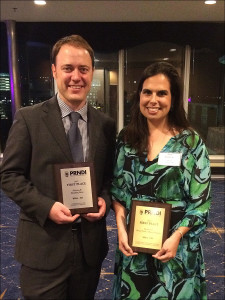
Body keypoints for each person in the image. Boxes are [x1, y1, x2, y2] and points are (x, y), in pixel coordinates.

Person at [0, 34, 116, 300]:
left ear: (92, 72)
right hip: (43, 247)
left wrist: (104, 201)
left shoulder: (106, 125)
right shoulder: (29, 119)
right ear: (54, 71)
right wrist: (47, 207)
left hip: (89, 248)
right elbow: (9, 176)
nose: (76, 76)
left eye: (83, 69)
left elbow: (110, 178)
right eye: (68, 68)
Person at [111, 62, 211, 299]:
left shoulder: (191, 143)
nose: (153, 99)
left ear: (173, 98)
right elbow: (117, 191)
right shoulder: (126, 138)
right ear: (139, 97)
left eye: (161, 93)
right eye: (147, 92)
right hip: (134, 249)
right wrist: (120, 229)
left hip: (176, 250)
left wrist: (176, 237)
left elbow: (201, 204)